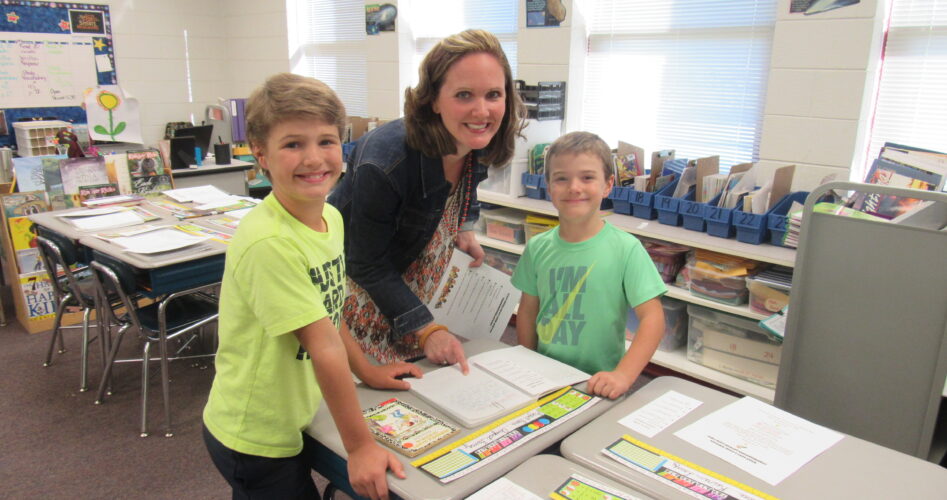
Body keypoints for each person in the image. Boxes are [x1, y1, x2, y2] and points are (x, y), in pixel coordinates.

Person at [202, 73, 420, 500]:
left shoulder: (330, 218)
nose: (314, 158)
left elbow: (328, 312)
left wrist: (366, 370)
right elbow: (323, 347)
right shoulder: (270, 242)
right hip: (255, 434)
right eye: (293, 144)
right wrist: (360, 447)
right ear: (261, 154)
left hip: (295, 413)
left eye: (326, 141)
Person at [329, 29, 526, 371]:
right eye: (464, 95)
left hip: (411, 295)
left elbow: (469, 184)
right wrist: (425, 329)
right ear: (433, 99)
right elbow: (365, 263)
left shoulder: (475, 140)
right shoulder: (385, 160)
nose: (482, 111)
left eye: (493, 94)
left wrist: (464, 226)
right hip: (360, 304)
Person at [511, 131, 667, 399]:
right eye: (562, 178)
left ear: (607, 185)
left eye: (587, 177)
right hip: (546, 379)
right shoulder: (537, 247)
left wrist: (623, 375)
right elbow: (527, 311)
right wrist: (529, 361)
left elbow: (653, 318)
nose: (574, 187)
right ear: (549, 186)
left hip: (599, 383)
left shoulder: (626, 249)